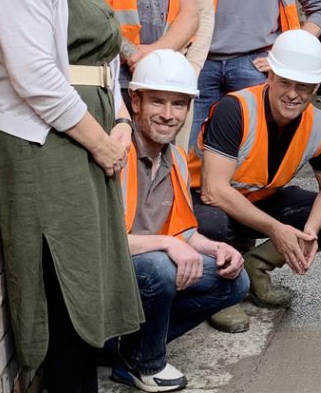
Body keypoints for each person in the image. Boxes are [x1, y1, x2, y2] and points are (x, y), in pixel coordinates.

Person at [0, 0, 143, 391]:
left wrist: (122, 120)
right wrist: (98, 142)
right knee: (61, 287)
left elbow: (104, 63)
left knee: (87, 280)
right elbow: (35, 75)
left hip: (86, 137)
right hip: (47, 144)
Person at [189, 30, 321, 317]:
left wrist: (310, 232)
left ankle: (255, 266)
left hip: (257, 202)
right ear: (270, 76)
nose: (293, 94)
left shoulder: (320, 125)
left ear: (316, 86)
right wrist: (275, 230)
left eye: (303, 86)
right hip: (202, 202)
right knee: (213, 223)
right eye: (285, 83)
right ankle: (217, 289)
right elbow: (213, 190)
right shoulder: (236, 109)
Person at [109, 50, 250, 391]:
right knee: (161, 267)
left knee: (235, 280)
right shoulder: (115, 152)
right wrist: (168, 244)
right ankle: (147, 363)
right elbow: (102, 242)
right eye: (158, 102)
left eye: (179, 105)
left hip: (145, 271)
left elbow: (183, 232)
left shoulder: (176, 159)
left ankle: (128, 349)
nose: (169, 115)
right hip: (109, 275)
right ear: (135, 101)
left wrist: (216, 248)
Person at [187, 0, 321, 150]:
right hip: (200, 63)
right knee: (188, 155)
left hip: (255, 65)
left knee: (251, 154)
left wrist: (287, 54)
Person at [96, 0, 201, 111]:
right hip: (108, 78)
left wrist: (153, 53)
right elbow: (85, 8)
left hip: (161, 80)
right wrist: (132, 52)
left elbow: (190, 14)